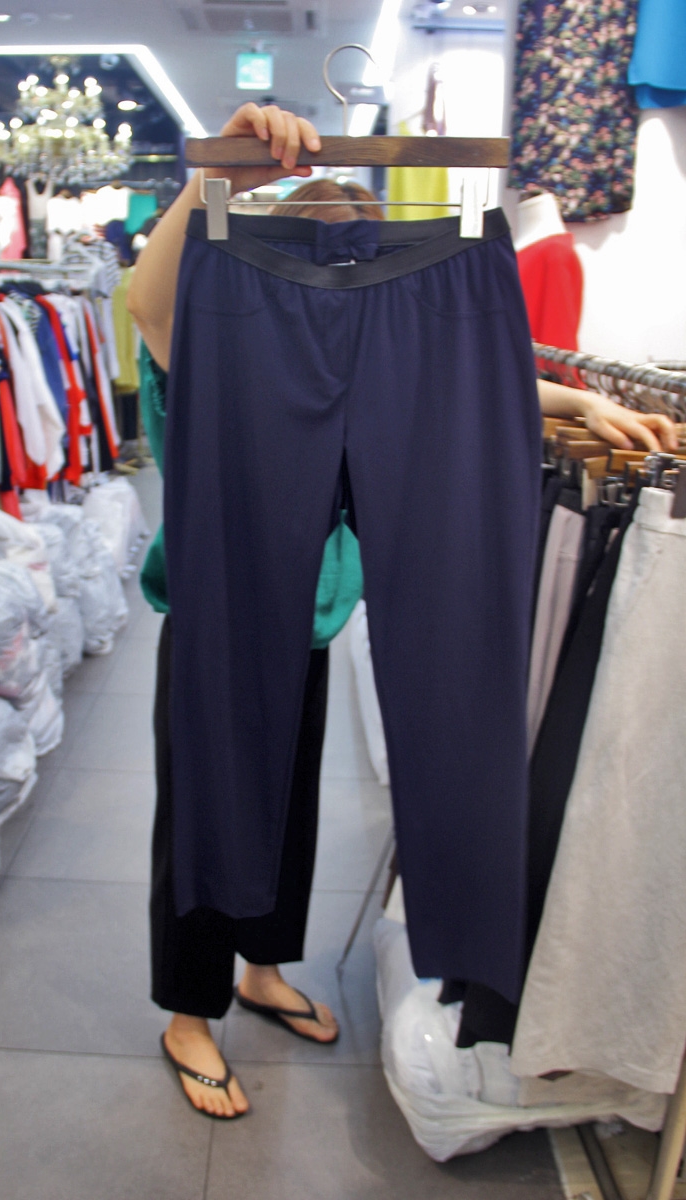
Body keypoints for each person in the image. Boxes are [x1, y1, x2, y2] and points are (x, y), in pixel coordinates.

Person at [127, 102, 677, 1121]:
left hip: (309, 618)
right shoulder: (209, 318)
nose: (343, 270)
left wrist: (577, 402)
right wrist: (219, 176)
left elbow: (426, 384)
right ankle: (187, 1014)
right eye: (320, 243)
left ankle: (262, 970)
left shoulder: (381, 325)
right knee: (214, 780)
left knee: (285, 798)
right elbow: (147, 300)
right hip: (211, 618)